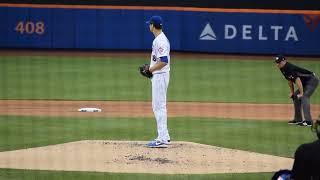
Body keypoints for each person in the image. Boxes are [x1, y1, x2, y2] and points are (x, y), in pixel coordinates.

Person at [145, 15, 171, 148]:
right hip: (160, 75)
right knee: (159, 106)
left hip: (160, 75)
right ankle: (164, 136)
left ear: (152, 26)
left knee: (159, 107)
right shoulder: (160, 39)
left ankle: (162, 139)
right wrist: (151, 69)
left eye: (149, 24)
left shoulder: (159, 41)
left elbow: (164, 61)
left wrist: (150, 69)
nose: (148, 26)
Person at [274, 55, 319, 126]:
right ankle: (298, 119)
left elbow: (298, 81)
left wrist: (301, 93)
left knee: (304, 96)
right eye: (277, 63)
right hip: (304, 82)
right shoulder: (282, 68)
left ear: (284, 61)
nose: (278, 64)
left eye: (279, 62)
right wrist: (292, 93)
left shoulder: (289, 68)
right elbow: (289, 81)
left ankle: (308, 121)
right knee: (295, 96)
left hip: (312, 80)